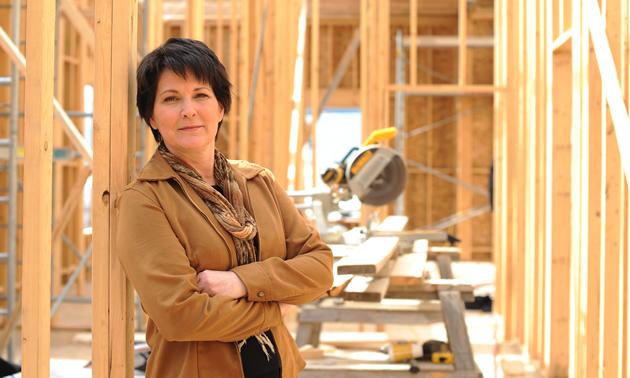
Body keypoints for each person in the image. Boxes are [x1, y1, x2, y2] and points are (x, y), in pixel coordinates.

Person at [116, 38, 334, 378]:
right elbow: (181, 316)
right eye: (171, 99)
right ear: (153, 118)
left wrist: (242, 282)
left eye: (201, 95)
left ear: (220, 108)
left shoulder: (258, 182)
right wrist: (277, 305)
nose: (188, 110)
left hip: (278, 368)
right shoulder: (145, 199)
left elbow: (320, 267)